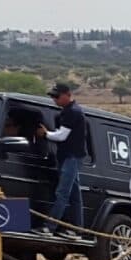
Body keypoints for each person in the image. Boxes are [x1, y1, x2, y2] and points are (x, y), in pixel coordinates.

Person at [41, 82, 94, 235]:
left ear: (67, 95)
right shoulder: (67, 112)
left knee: (62, 192)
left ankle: (50, 226)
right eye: (53, 96)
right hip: (69, 157)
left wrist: (46, 134)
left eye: (57, 96)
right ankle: (77, 229)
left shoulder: (73, 112)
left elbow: (61, 136)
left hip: (72, 157)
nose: (54, 99)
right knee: (74, 194)